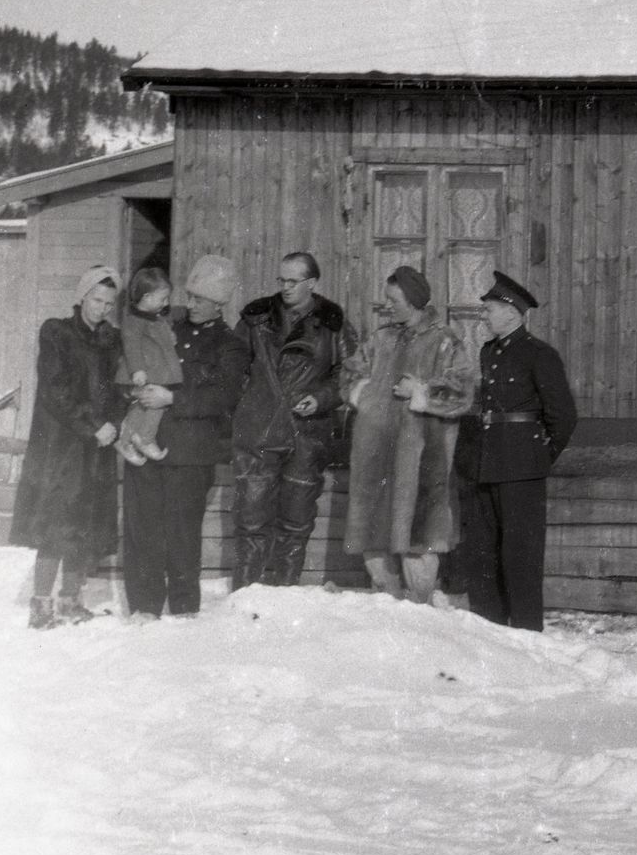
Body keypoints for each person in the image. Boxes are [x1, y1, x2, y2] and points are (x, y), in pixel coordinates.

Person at [123, 256, 249, 619]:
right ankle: (143, 608)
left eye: (197, 299)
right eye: (189, 296)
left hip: (190, 454)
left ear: (218, 303)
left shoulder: (230, 345)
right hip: (146, 444)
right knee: (141, 529)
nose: (188, 303)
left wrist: (173, 397)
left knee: (181, 535)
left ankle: (182, 611)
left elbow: (224, 396)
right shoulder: (167, 329)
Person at [340, 267, 475, 603]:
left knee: (418, 538)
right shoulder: (380, 339)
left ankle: (423, 610)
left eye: (393, 300)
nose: (387, 306)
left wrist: (422, 391)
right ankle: (383, 602)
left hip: (421, 464)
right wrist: (367, 394)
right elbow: (349, 376)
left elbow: (463, 394)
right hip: (375, 460)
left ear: (413, 301)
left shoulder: (446, 342)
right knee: (375, 537)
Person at [230, 250, 357, 588]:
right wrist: (253, 404)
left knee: (296, 524)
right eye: (281, 280)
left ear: (311, 283)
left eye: (293, 281)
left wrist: (322, 399)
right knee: (251, 521)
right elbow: (234, 368)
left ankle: (285, 600)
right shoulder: (255, 319)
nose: (285, 287)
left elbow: (350, 374)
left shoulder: (333, 323)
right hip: (258, 435)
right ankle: (243, 603)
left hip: (307, 436)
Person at [8, 264, 124, 629]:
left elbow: (118, 391)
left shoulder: (111, 341)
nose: (101, 308)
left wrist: (113, 426)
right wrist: (95, 426)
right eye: (96, 299)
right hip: (61, 447)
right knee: (56, 524)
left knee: (85, 524)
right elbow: (56, 391)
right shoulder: (56, 333)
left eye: (108, 303)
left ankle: (70, 601)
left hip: (98, 446)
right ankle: (41, 606)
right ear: (82, 296)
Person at [461, 270, 577, 631]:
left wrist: (539, 457)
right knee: (485, 551)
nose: (484, 316)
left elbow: (564, 416)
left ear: (512, 312)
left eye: (490, 309)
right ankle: (491, 631)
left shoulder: (539, 354)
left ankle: (527, 634)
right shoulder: (488, 352)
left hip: (522, 468)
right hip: (488, 463)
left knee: (521, 556)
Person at [114, 266, 183, 464]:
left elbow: (162, 335)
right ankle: (143, 438)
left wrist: (170, 336)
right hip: (145, 372)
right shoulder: (133, 321)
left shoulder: (157, 318)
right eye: (163, 298)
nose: (166, 303)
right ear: (146, 297)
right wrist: (137, 370)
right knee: (151, 405)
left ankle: (130, 439)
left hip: (158, 371)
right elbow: (131, 345)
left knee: (147, 405)